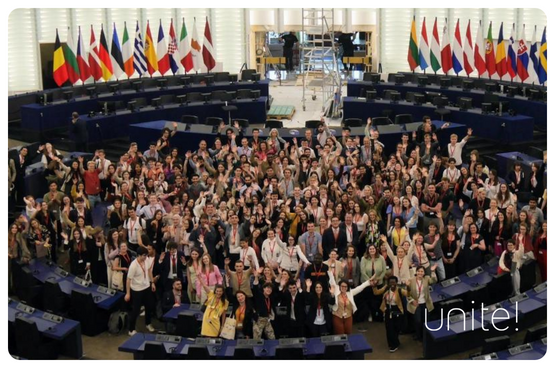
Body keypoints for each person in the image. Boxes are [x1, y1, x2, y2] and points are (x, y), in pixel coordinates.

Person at [125, 247, 156, 336]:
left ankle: (148, 323)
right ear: (138, 255)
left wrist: (152, 282)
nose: (145, 257)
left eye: (146, 255)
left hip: (146, 287)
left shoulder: (147, 261)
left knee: (149, 307)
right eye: (144, 255)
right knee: (136, 310)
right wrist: (128, 293)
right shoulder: (133, 265)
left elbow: (149, 270)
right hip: (137, 290)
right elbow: (128, 280)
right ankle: (131, 329)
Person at [373, 275, 408, 353]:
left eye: (394, 282)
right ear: (388, 283)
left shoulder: (399, 290)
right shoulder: (386, 288)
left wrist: (408, 286)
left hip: (397, 310)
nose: (392, 284)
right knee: (389, 329)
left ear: (396, 283)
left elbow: (408, 294)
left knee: (396, 328)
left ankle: (396, 341)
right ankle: (392, 345)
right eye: (390, 282)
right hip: (388, 310)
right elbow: (376, 292)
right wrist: (374, 286)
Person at [406, 264, 438, 341]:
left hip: (425, 303)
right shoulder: (411, 280)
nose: (420, 273)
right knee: (418, 321)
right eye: (419, 271)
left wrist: (433, 271)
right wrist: (411, 300)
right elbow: (407, 293)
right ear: (416, 272)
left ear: (424, 273)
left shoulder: (426, 279)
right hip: (416, 305)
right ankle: (418, 335)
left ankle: (425, 336)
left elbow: (434, 280)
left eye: (422, 271)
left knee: (425, 320)